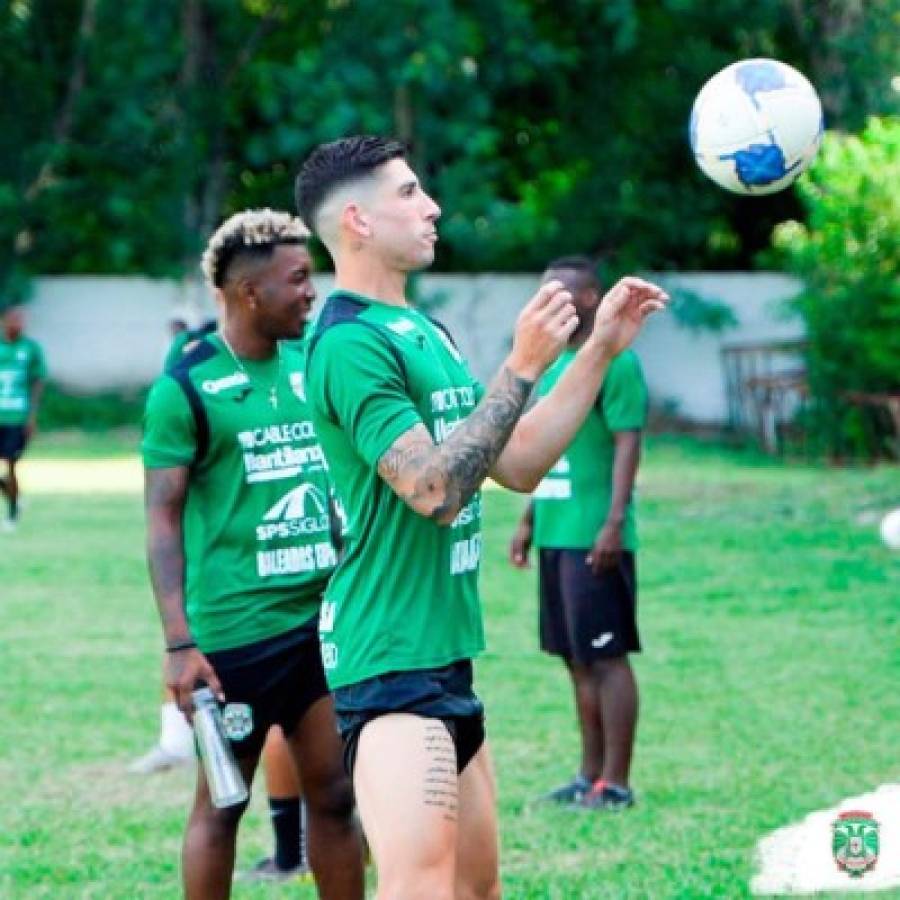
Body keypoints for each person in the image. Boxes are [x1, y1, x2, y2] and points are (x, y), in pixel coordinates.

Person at [294, 135, 667, 899]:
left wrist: (596, 351)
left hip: (444, 656)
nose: (432, 207)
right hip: (389, 660)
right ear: (357, 220)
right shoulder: (349, 344)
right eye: (409, 194)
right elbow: (434, 491)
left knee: (475, 889)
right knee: (421, 889)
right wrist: (522, 363)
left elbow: (517, 460)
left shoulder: (422, 331)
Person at [142, 208, 364, 899]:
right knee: (223, 804)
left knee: (335, 797)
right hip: (235, 638)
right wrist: (180, 644)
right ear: (248, 292)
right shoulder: (185, 386)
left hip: (321, 626)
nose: (311, 293)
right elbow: (161, 519)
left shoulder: (311, 363)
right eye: (297, 279)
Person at [509, 255, 648, 810]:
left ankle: (616, 781)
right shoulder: (554, 366)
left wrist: (613, 522)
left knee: (607, 657)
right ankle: (588, 774)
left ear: (590, 298)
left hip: (594, 534)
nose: (551, 303)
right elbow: (544, 449)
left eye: (561, 294)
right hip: (555, 532)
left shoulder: (617, 362)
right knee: (575, 658)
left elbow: (627, 442)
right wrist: (528, 520)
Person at [0, 305, 46, 532]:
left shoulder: (30, 349)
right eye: (13, 319)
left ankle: (12, 513)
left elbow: (37, 382)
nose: (17, 324)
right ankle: (14, 496)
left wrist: (31, 416)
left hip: (16, 418)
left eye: (21, 319)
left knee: (11, 464)